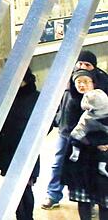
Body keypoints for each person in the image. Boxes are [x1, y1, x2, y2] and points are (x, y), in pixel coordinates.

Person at [44, 49, 108, 210]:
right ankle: (53, 194)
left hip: (91, 136)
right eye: (80, 63)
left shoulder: (101, 84)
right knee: (58, 164)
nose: (83, 66)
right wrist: (55, 120)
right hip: (66, 131)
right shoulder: (68, 80)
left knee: (92, 167)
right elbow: (58, 103)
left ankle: (92, 198)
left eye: (87, 64)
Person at [0, 67, 40, 220]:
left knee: (25, 187)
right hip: (9, 150)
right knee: (14, 189)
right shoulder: (8, 98)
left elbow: (47, 122)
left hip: (27, 149)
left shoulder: (36, 97)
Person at [62, 69, 108, 219]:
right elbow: (70, 130)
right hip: (82, 157)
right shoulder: (71, 101)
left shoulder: (104, 101)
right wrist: (95, 143)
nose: (82, 85)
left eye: (86, 81)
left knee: (104, 198)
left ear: (93, 83)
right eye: (78, 82)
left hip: (103, 157)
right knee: (84, 199)